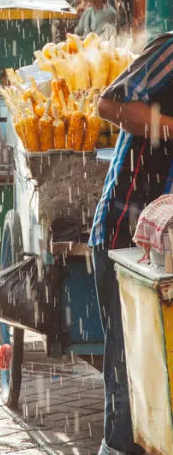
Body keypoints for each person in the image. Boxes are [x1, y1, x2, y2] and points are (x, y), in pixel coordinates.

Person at [90, 32, 173, 455]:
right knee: (130, 380)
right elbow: (109, 104)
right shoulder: (170, 52)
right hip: (125, 239)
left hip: (168, 254)